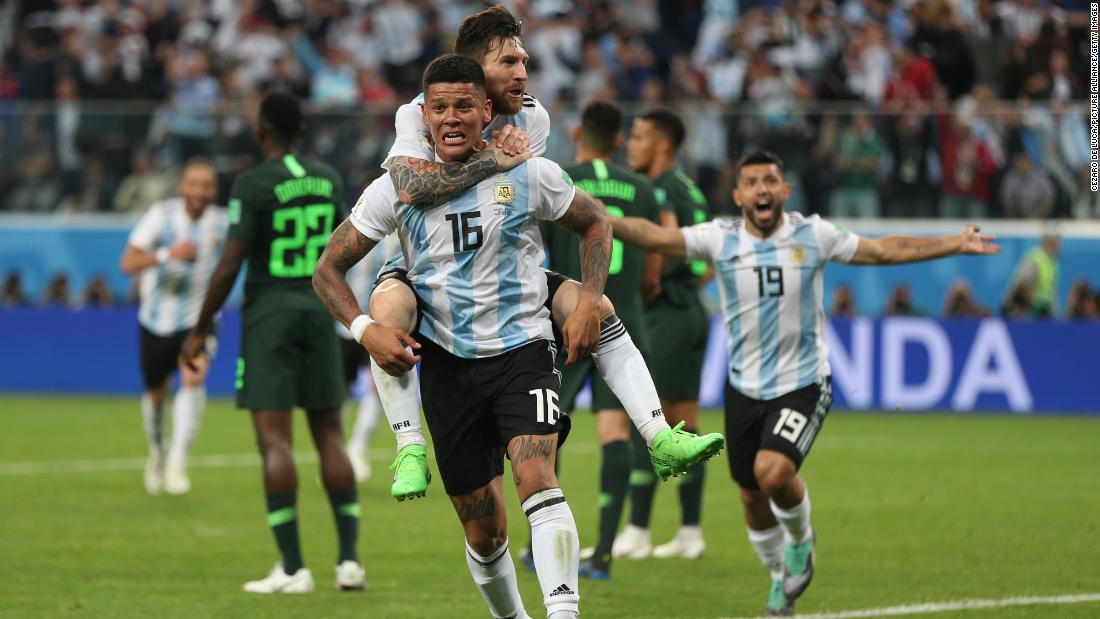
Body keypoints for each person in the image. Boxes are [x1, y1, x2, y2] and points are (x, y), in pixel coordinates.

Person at [610, 150, 1000, 616]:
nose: (762, 189)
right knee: (751, 496)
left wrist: (954, 242)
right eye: (752, 182)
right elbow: (654, 235)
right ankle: (780, 578)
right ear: (737, 196)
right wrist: (589, 214)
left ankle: (800, 540)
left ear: (784, 191)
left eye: (770, 180)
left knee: (772, 472)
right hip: (744, 387)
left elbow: (882, 250)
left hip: (803, 381)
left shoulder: (813, 235)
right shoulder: (720, 238)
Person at [368, 5, 722, 502]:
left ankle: (660, 436)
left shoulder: (532, 116)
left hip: (503, 270)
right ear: (473, 69)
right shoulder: (416, 111)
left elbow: (522, 193)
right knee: (387, 310)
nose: (522, 73)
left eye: (523, 61)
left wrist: (586, 297)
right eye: (508, 62)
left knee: (595, 307)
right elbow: (408, 186)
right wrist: (491, 158)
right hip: (427, 265)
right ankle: (409, 446)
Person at [313, 54, 602, 619]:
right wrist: (364, 329)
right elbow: (326, 269)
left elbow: (594, 221)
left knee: (537, 475)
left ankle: (564, 614)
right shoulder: (397, 187)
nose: (451, 117)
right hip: (448, 363)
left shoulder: (526, 170)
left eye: (464, 106)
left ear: (486, 110)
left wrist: (589, 297)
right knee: (483, 531)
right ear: (423, 116)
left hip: (524, 348)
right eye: (440, 107)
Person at [179, 92, 363, 594]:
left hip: (269, 318)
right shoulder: (328, 178)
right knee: (330, 435)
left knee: (275, 441)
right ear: (300, 130)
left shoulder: (253, 184)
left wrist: (198, 329)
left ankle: (292, 568)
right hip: (320, 311)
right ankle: (349, 562)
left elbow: (230, 262)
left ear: (262, 131)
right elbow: (344, 247)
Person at [542, 101, 668, 580]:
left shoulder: (556, 176)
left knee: (544, 433)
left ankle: (545, 544)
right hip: (622, 322)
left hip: (566, 323)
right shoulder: (641, 188)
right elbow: (654, 269)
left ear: (578, 131)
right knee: (616, 433)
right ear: (619, 141)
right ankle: (604, 553)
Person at [615, 107, 714, 561]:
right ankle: (690, 532)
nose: (630, 144)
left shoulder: (658, 191)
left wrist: (654, 289)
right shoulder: (690, 187)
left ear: (663, 146)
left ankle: (636, 530)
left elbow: (667, 243)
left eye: (639, 137)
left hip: (667, 315)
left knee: (650, 423)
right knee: (686, 422)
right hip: (692, 312)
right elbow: (707, 262)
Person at [119, 159, 226, 496]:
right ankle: (157, 452)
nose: (199, 191)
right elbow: (128, 262)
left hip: (197, 321)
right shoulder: (161, 216)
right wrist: (168, 254)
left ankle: (178, 462)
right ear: (181, 186)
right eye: (193, 183)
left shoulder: (222, 223)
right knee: (156, 397)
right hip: (155, 321)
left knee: (194, 377)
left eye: (206, 185)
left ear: (214, 190)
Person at [1008, 233, 1060, 318]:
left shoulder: (1052, 261)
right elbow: (1023, 284)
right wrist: (1027, 306)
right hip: (1032, 309)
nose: (1060, 246)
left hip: (1045, 308)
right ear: (1049, 243)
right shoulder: (1035, 258)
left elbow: (1051, 289)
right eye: (1057, 243)